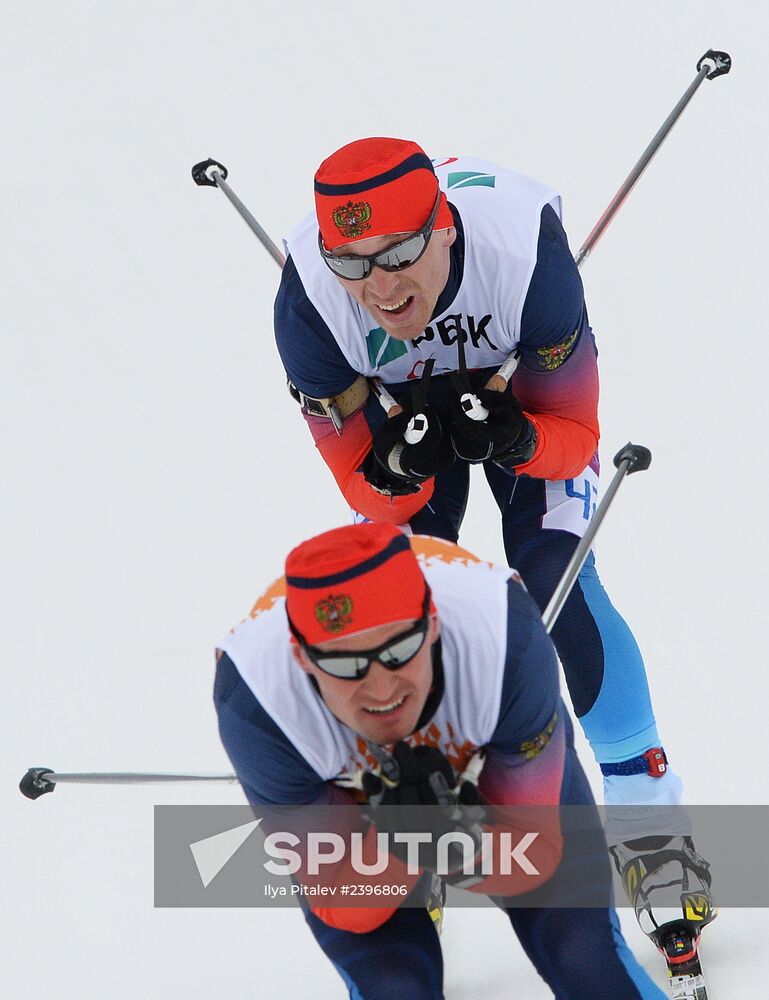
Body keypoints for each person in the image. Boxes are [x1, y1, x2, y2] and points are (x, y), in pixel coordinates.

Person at [272, 138, 716, 916]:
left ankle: (650, 822)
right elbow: (367, 497)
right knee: (395, 613)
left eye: (399, 251)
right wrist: (397, 472)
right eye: (354, 263)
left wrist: (517, 439)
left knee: (557, 581)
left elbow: (575, 437)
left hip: (518, 383)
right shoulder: (308, 304)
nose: (379, 285)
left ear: (443, 225)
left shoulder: (526, 254)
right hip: (395, 408)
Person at [215, 522, 672, 999]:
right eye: (345, 666)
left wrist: (459, 847)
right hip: (353, 808)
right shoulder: (256, 704)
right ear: (302, 658)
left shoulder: (504, 641)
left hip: (490, 752)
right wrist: (397, 850)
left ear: (432, 622)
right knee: (395, 988)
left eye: (399, 650)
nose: (381, 689)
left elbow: (536, 856)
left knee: (586, 961)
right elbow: (341, 902)